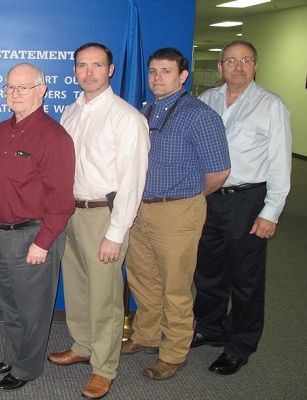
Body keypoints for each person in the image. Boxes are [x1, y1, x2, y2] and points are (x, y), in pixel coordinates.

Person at [46, 43, 149, 399]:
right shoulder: (70, 112)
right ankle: (83, 345)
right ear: (75, 71)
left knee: (105, 297)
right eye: (82, 66)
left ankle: (105, 368)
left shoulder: (127, 118)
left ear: (111, 70)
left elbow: (133, 182)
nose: (88, 72)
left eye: (96, 66)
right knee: (76, 286)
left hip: (103, 216)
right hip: (70, 213)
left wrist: (116, 233)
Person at [121, 48, 231, 380]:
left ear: (183, 76)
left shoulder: (200, 115)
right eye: (153, 71)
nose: (157, 77)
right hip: (141, 209)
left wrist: (186, 199)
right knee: (143, 279)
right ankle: (147, 334)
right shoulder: (145, 110)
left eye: (166, 71)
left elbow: (219, 173)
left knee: (175, 285)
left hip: (178, 211)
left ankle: (174, 351)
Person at [193, 40, 292, 375]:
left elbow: (281, 163)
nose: (237, 67)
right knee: (208, 272)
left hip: (247, 201)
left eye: (245, 60)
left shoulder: (271, 106)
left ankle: (240, 345)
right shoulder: (206, 101)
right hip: (208, 200)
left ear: (256, 65)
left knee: (245, 280)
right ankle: (209, 328)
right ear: (220, 67)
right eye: (230, 61)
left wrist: (271, 212)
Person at [0, 63, 75, 391]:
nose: (15, 94)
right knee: (11, 303)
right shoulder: (0, 131)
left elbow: (61, 199)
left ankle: (27, 369)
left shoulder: (54, 137)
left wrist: (44, 242)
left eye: (24, 87)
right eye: (10, 87)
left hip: (33, 236)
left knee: (33, 310)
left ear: (42, 90)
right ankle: (13, 356)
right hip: (0, 233)